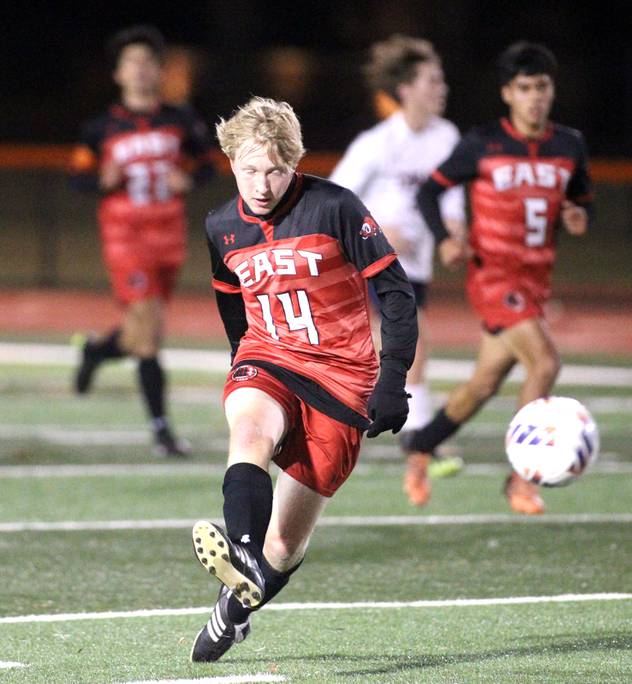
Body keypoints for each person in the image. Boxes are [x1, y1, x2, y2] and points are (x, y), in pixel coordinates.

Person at [189, 97, 417, 662]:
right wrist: (241, 365)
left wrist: (391, 380)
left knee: (286, 545)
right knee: (248, 434)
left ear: (295, 164)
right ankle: (240, 553)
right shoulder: (221, 225)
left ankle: (237, 603)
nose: (260, 184)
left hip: (342, 380)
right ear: (231, 162)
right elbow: (233, 308)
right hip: (269, 358)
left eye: (274, 169)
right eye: (248, 169)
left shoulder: (334, 207)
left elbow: (396, 294)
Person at [404, 41, 594, 513]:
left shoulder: (569, 144)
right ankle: (521, 476)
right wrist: (444, 239)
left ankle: (420, 449)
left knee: (483, 384)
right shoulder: (483, 143)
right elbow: (429, 192)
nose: (535, 97)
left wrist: (579, 217)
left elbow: (583, 201)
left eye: (543, 87)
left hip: (534, 281)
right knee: (545, 364)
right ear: (508, 93)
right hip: (493, 278)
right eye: (525, 88)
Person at [329, 35, 466, 498]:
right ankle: (422, 443)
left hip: (417, 265)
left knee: (380, 353)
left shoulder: (447, 137)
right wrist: (381, 226)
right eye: (433, 78)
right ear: (405, 88)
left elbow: (452, 194)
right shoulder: (377, 143)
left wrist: (452, 227)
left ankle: (340, 426)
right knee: (414, 344)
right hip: (375, 261)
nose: (442, 86)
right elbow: (334, 198)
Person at [69, 25, 215, 456]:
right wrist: (102, 180)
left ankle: (97, 350)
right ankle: (162, 430)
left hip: (167, 234)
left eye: (148, 62)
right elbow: (77, 177)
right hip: (125, 235)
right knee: (150, 337)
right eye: (132, 62)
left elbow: (207, 164)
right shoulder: (101, 127)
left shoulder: (181, 118)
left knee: (138, 334)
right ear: (118, 73)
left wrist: (187, 178)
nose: (140, 69)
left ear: (158, 70)